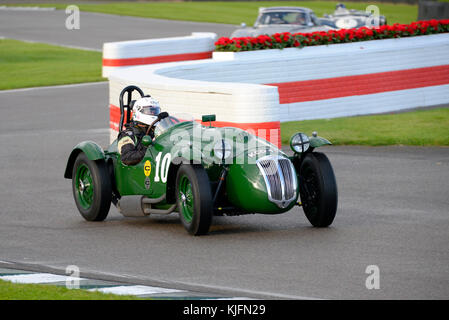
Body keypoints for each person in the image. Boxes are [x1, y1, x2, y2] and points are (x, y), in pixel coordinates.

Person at [117, 96, 161, 165]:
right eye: (150, 111)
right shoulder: (128, 135)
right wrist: (147, 149)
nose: (153, 113)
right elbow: (127, 158)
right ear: (138, 111)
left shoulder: (157, 130)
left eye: (155, 111)